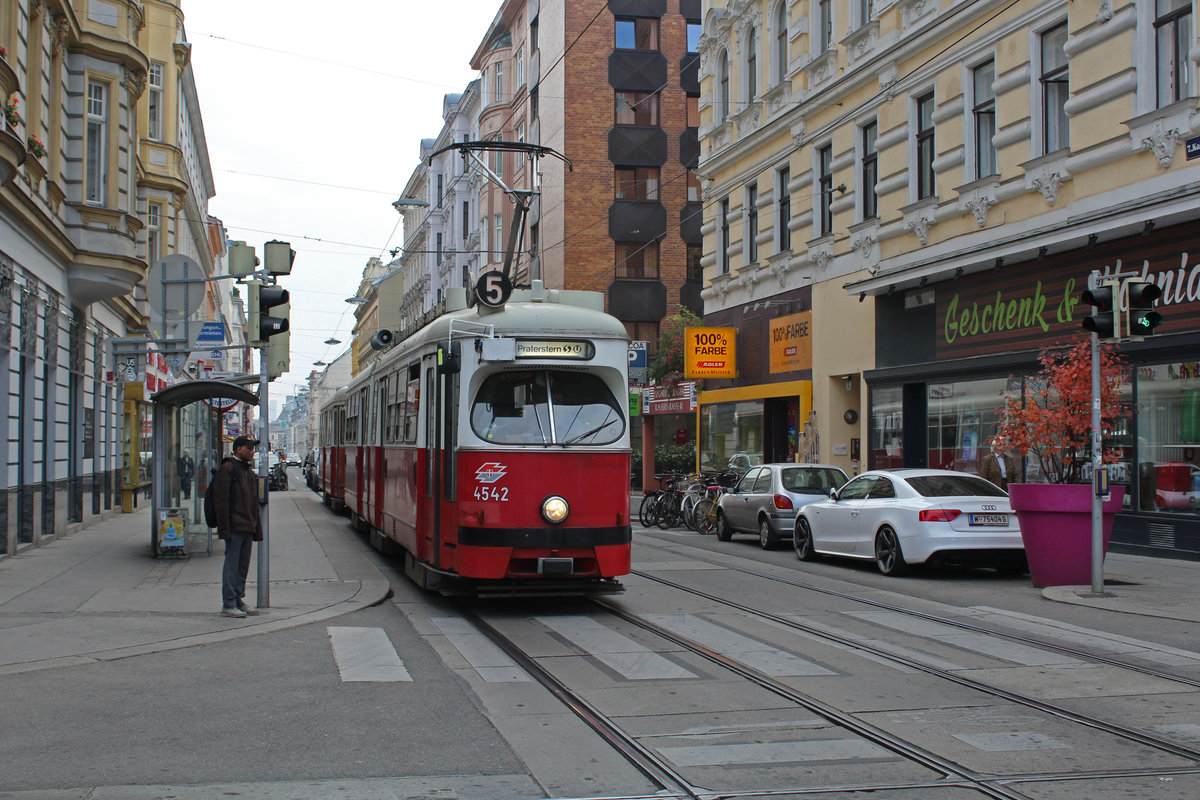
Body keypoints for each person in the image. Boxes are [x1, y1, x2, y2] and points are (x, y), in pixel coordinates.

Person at [212, 436, 263, 618]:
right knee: (232, 566)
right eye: (249, 449)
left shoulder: (247, 472)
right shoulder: (229, 469)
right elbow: (221, 502)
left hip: (247, 526)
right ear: (238, 449)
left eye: (252, 449)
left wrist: (256, 526)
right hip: (235, 526)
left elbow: (252, 503)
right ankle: (229, 603)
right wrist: (224, 529)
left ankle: (238, 599)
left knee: (242, 566)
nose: (252, 452)